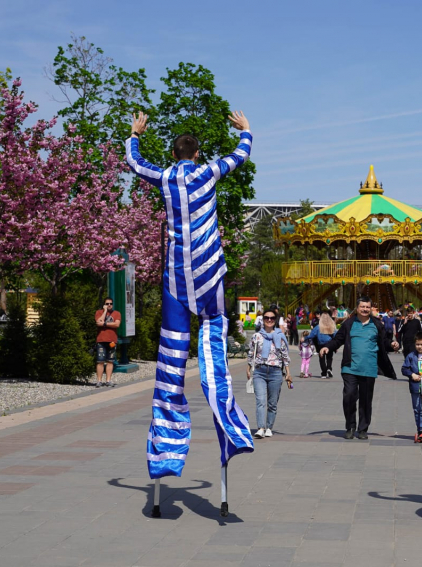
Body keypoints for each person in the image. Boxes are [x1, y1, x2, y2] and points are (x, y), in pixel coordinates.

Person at [126, 110, 254, 478]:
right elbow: (239, 156)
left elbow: (135, 163)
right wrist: (245, 131)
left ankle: (166, 453)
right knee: (214, 348)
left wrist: (135, 134)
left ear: (173, 155)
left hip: (176, 279)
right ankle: (232, 430)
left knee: (172, 359)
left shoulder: (165, 176)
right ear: (197, 154)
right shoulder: (210, 172)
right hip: (210, 273)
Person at [319, 296, 399, 440]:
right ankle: (350, 426)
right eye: (362, 306)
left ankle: (363, 428)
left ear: (371, 308)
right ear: (357, 307)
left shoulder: (377, 324)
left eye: (368, 307)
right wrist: (327, 347)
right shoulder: (349, 324)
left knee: (366, 400)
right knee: (349, 396)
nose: (365, 309)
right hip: (350, 368)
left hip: (369, 368)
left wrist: (392, 345)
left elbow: (384, 342)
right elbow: (338, 340)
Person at [247, 308, 292, 437]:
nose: (269, 320)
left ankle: (269, 427)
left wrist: (288, 373)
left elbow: (285, 356)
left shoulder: (279, 336)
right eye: (266, 318)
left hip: (276, 372)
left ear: (275, 320)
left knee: (272, 403)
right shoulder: (257, 336)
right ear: (263, 319)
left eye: (272, 318)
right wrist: (248, 368)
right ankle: (261, 427)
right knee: (260, 400)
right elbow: (251, 353)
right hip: (260, 371)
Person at [95, 297, 121, 387]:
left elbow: (117, 324)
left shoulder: (117, 313)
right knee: (100, 361)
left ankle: (108, 380)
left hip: (112, 341)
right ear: (104, 305)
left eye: (110, 303)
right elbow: (99, 322)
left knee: (110, 361)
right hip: (101, 340)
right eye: (107, 304)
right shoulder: (99, 313)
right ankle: (99, 381)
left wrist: (105, 324)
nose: (109, 305)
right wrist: (105, 312)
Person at [309, 312, 337, 378]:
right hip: (330, 343)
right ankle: (329, 368)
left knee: (322, 358)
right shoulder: (331, 325)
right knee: (329, 357)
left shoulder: (318, 326)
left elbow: (312, 335)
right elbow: (335, 335)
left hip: (320, 344)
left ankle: (324, 373)